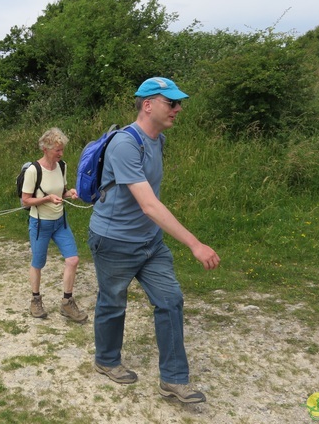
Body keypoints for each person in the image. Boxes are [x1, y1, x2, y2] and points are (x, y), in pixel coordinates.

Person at [88, 77, 221, 403]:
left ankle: (174, 380)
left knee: (170, 300)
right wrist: (194, 243)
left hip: (150, 242)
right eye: (171, 103)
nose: (178, 108)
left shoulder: (157, 140)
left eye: (179, 103)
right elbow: (149, 204)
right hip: (114, 240)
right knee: (113, 302)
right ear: (148, 104)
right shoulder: (124, 144)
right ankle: (106, 360)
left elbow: (150, 203)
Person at [21, 127, 87, 323]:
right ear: (45, 148)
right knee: (38, 262)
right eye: (57, 150)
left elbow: (62, 191)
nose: (61, 153)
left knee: (73, 260)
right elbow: (25, 200)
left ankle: (67, 302)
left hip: (60, 222)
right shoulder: (34, 170)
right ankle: (35, 299)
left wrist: (70, 193)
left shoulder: (62, 166)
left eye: (61, 149)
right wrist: (47, 199)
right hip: (40, 223)